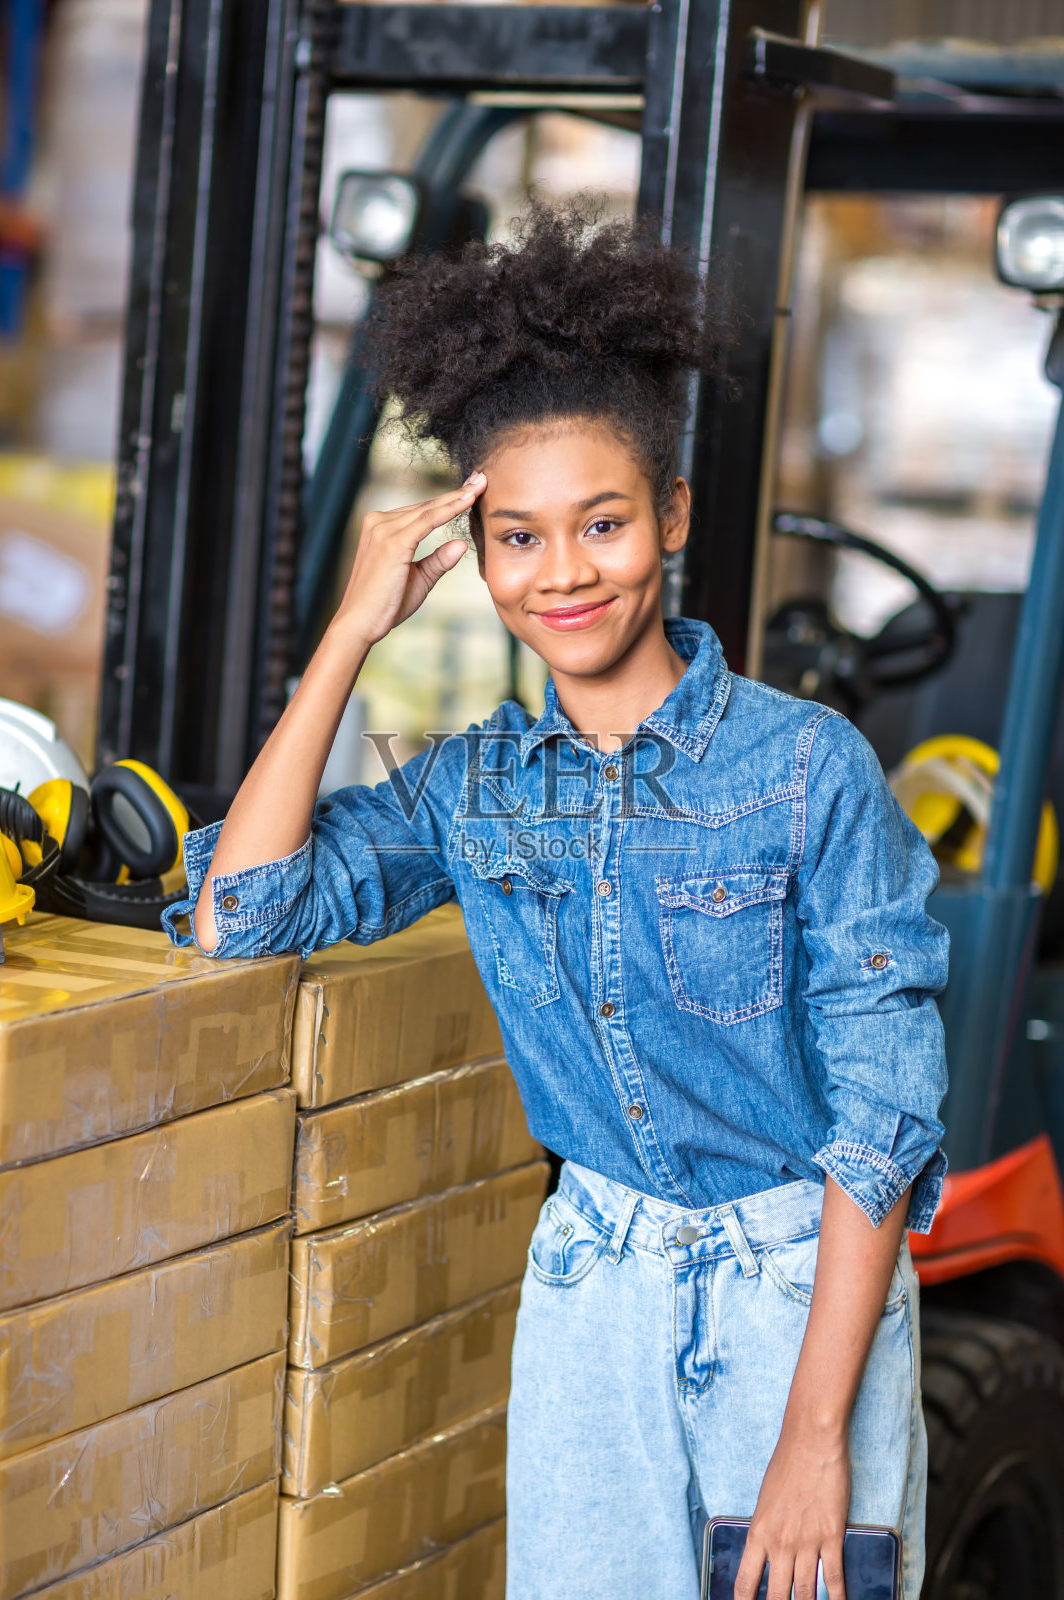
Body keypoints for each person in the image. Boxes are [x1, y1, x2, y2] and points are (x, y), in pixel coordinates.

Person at [162, 205, 948, 1600]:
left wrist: (814, 1438)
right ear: (476, 553)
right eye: (518, 537)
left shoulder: (808, 770)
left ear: (673, 516)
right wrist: (350, 629)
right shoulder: (476, 788)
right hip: (595, 1288)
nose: (565, 572)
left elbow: (882, 1127)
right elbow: (244, 913)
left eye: (602, 523)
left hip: (796, 1294)